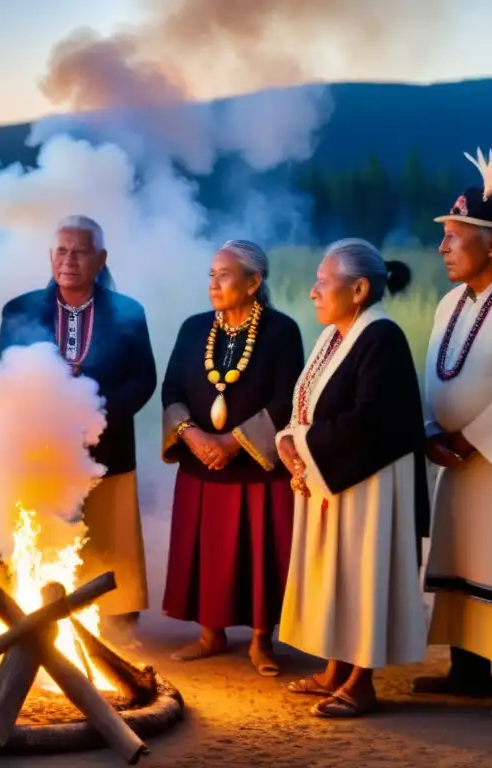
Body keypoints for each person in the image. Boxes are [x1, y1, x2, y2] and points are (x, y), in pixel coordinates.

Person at [275, 238, 429, 718]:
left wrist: (298, 444)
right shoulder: (334, 335)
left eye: (323, 282)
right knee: (336, 573)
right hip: (334, 474)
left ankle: (361, 683)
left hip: (372, 481)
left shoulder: (381, 336)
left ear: (359, 288)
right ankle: (334, 669)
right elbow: (308, 404)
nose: (313, 292)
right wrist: (288, 436)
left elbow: (373, 419)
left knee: (364, 575)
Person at [0, 215, 156, 646]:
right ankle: (37, 614)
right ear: (50, 256)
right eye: (61, 251)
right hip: (39, 448)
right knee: (42, 532)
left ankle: (116, 621)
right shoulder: (20, 309)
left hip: (106, 441)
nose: (69, 260)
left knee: (108, 531)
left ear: (100, 259)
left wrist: (95, 418)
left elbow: (143, 379)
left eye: (80, 251)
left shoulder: (128, 312)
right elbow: (0, 373)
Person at [161, 240, 304, 675]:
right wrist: (193, 436)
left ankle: (263, 641)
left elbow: (288, 400)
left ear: (253, 282)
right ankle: (210, 634)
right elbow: (172, 392)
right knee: (208, 550)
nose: (214, 283)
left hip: (257, 469)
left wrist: (231, 443)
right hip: (200, 463)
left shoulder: (281, 331)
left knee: (260, 553)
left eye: (224, 275)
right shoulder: (193, 329)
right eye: (211, 274)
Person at [416, 148, 492, 719]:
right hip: (456, 460)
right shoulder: (449, 301)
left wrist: (474, 436)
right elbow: (437, 374)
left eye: (455, 237)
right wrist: (433, 429)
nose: (442, 248)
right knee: (460, 557)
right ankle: (467, 671)